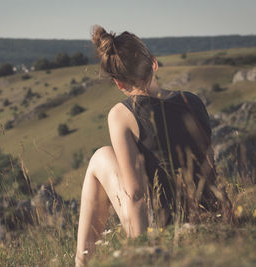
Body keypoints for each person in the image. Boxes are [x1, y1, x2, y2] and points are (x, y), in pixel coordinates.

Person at [75, 26, 232, 266]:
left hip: (165, 227)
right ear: (154, 64)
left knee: (100, 157)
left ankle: (81, 262)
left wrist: (143, 253)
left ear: (118, 83)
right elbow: (209, 167)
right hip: (212, 214)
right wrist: (227, 220)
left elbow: (136, 193)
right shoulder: (193, 100)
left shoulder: (121, 114)